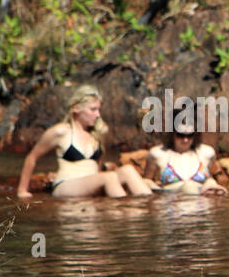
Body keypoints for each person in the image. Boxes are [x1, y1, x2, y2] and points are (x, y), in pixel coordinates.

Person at [16, 85, 154, 199]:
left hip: (92, 183)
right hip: (66, 185)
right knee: (109, 177)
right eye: (93, 109)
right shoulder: (61, 132)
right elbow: (32, 157)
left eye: (98, 109)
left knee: (128, 170)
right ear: (76, 108)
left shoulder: (97, 133)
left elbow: (97, 166)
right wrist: (22, 190)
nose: (98, 114)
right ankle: (123, 215)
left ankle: (146, 212)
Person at [142, 119, 227, 195]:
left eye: (190, 135)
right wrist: (159, 190)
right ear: (172, 134)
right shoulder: (158, 153)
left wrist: (211, 184)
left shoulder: (206, 153)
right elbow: (147, 180)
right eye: (180, 135)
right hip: (172, 202)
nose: (185, 140)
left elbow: (209, 178)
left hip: (200, 202)